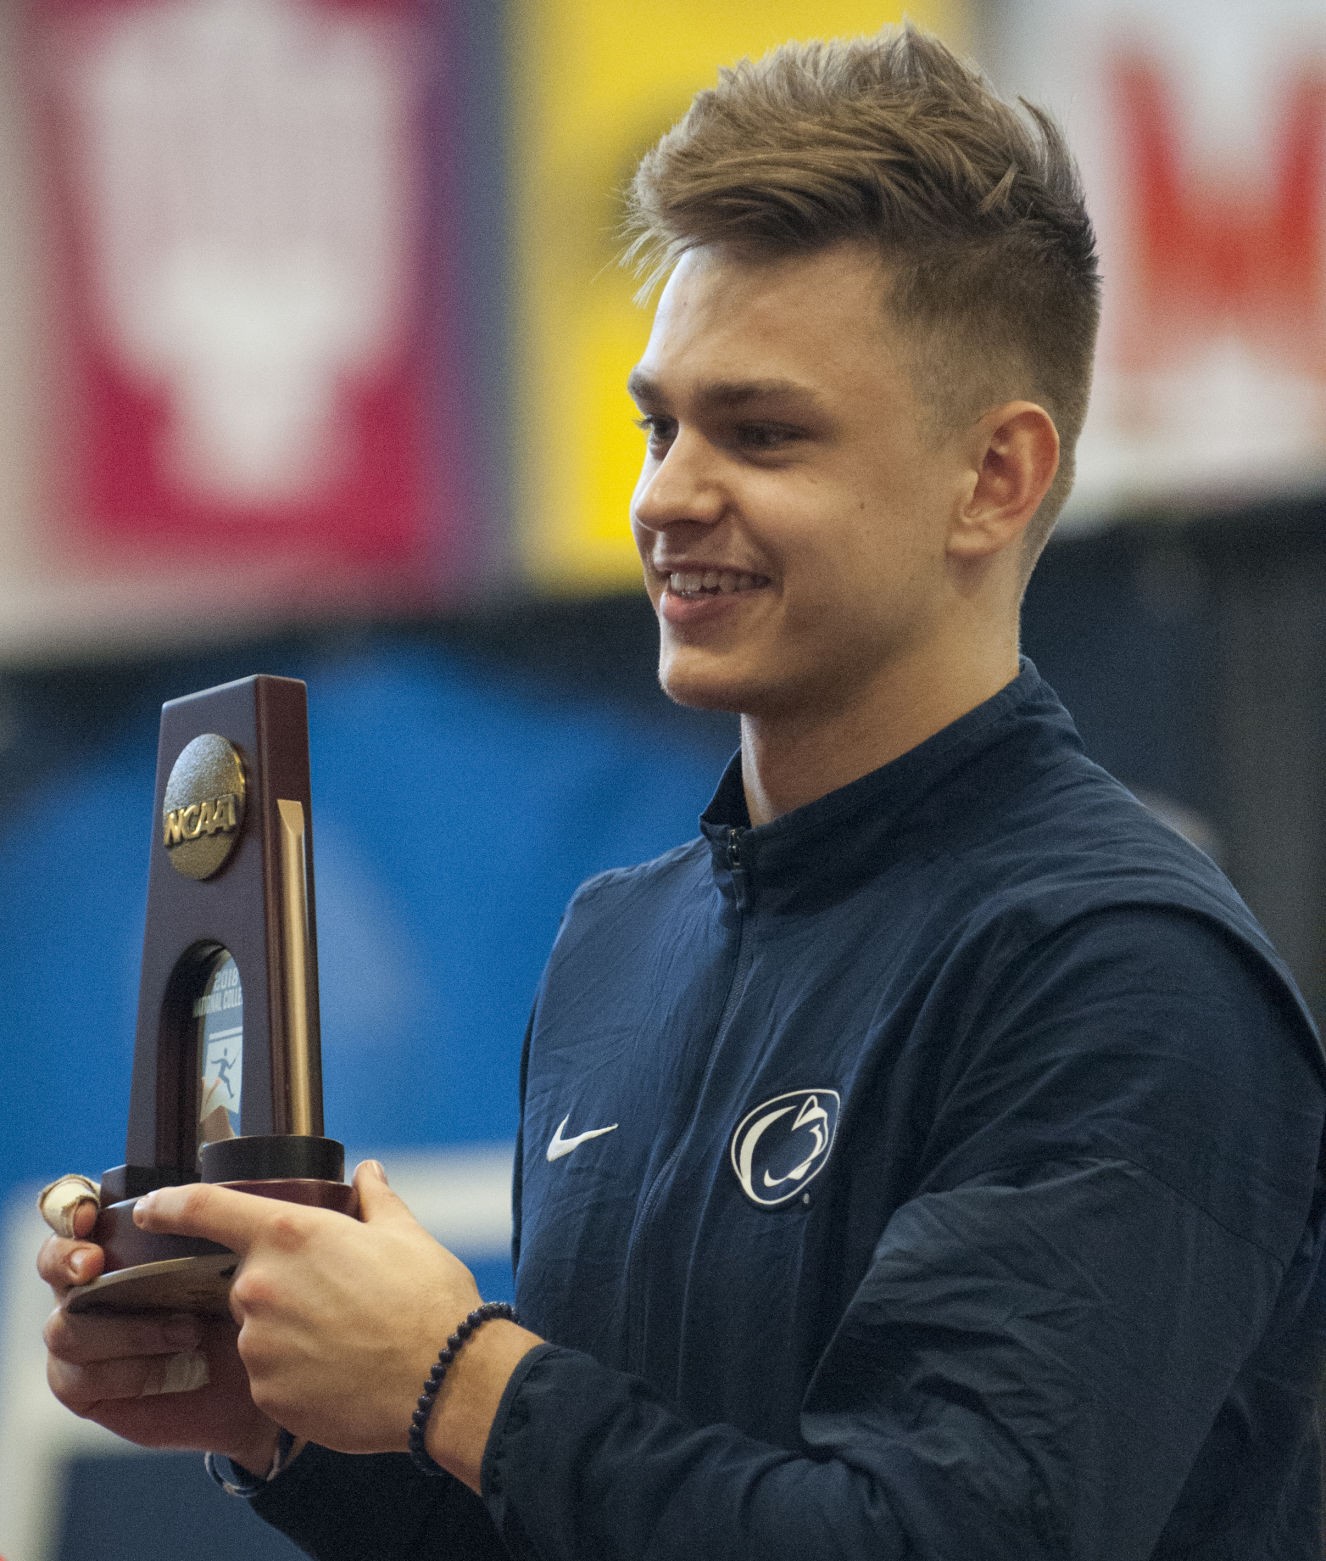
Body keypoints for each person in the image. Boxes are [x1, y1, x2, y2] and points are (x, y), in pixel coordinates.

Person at [39, 25, 1326, 1561]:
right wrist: (290, 1419)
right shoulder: (616, 946)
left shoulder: (1118, 969)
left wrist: (457, 1375)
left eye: (762, 433)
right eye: (661, 422)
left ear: (995, 476)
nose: (664, 493)